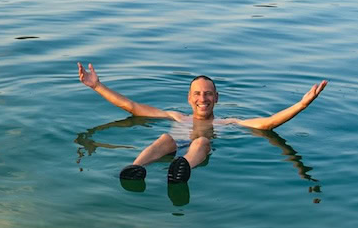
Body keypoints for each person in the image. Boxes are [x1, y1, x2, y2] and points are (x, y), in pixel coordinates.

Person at [76, 63, 326, 184]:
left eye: (207, 94)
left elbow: (267, 124)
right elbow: (131, 107)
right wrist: (97, 86)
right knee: (166, 139)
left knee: (203, 141)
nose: (202, 98)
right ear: (189, 98)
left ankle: (181, 171)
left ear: (216, 98)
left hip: (194, 155)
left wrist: (301, 104)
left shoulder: (229, 122)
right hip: (174, 146)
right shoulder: (176, 117)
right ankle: (136, 168)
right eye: (197, 93)